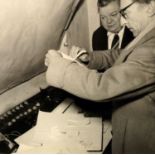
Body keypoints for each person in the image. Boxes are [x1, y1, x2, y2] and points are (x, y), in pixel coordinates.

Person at [45, 0, 155, 153]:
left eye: (125, 13)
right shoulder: (147, 38)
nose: (122, 21)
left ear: (150, 7)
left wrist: (60, 66)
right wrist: (89, 58)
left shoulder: (151, 49)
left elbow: (102, 86)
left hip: (141, 141)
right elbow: (120, 54)